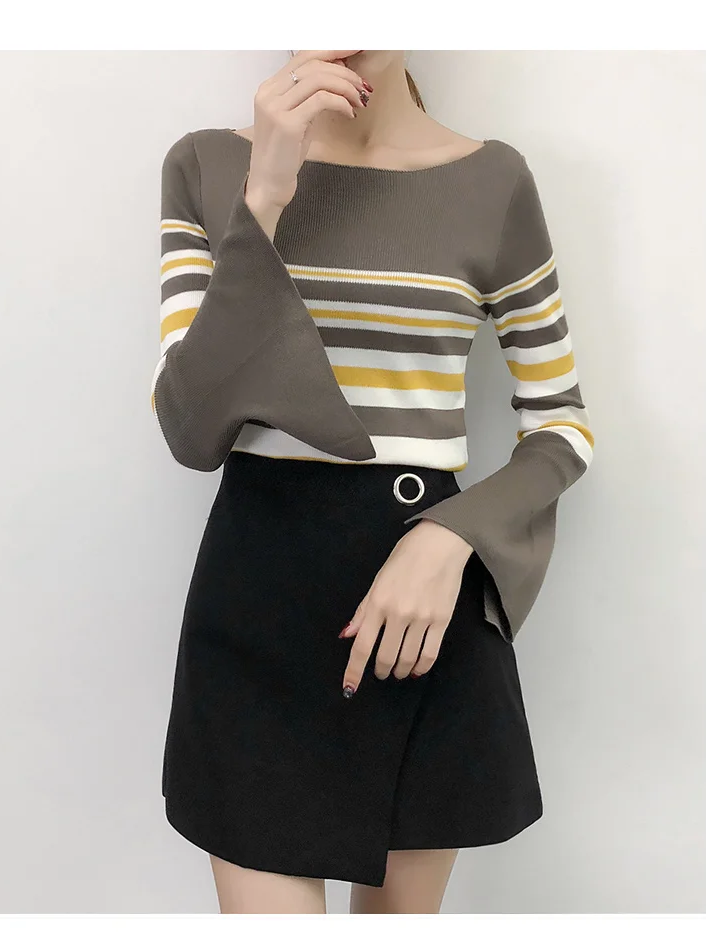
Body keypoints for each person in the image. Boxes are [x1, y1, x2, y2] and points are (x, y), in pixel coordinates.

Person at [152, 50, 594, 914]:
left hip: (421, 619)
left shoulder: (492, 180)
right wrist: (264, 194)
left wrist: (448, 537)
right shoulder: (206, 164)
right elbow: (189, 427)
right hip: (255, 611)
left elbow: (561, 426)